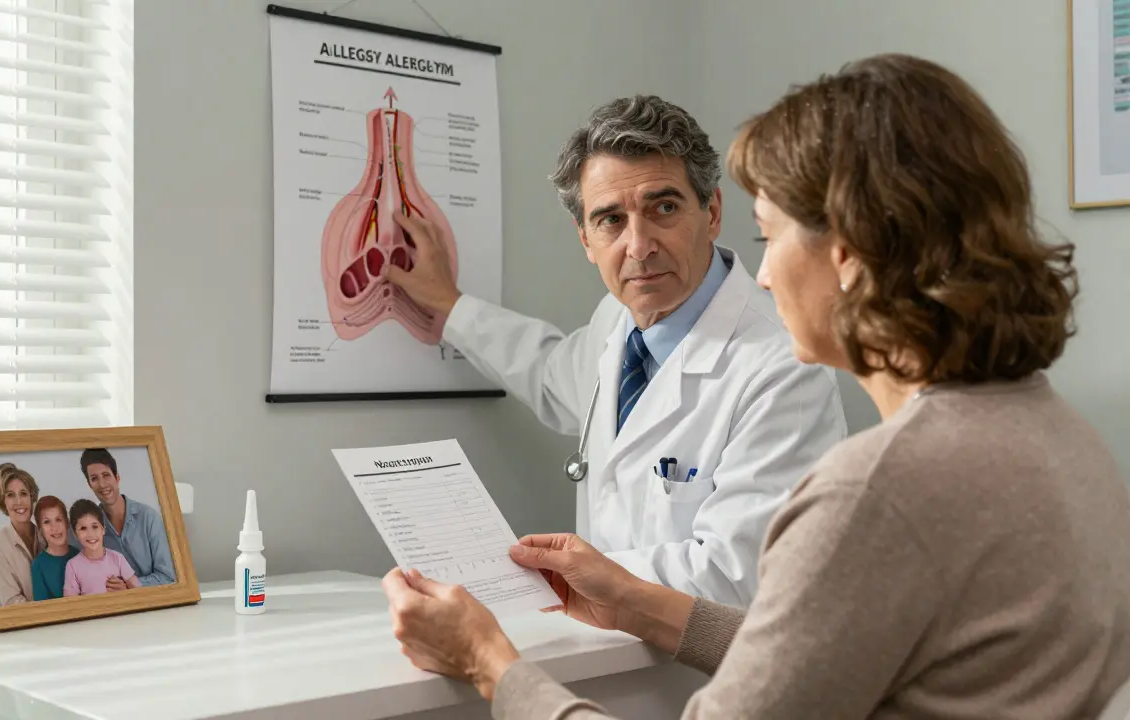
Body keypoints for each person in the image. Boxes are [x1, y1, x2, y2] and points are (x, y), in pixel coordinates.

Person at [380, 53, 1130, 719]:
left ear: (850, 254)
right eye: (610, 221)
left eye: (768, 237)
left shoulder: (875, 491)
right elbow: (832, 645)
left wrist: (490, 664)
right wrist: (633, 598)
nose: (762, 273)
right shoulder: (1061, 436)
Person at [387, 95, 846, 602]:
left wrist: (558, 574)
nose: (638, 246)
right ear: (584, 237)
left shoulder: (783, 365)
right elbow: (547, 371)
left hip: (699, 673)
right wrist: (447, 304)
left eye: (664, 208)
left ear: (711, 211)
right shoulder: (618, 320)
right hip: (602, 658)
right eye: (610, 220)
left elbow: (738, 572)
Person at [78, 447, 176, 587]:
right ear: (89, 485)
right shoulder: (89, 529)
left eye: (106, 475)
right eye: (94, 479)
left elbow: (168, 577)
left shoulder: (149, 518)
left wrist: (129, 585)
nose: (102, 484)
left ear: (117, 478)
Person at [0, 462, 45, 606]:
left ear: (32, 498)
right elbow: (11, 600)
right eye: (10, 495)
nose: (18, 501)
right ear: (3, 501)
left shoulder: (47, 534)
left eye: (23, 493)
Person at [63, 498, 141, 597]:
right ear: (75, 534)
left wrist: (126, 590)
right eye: (83, 528)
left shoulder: (117, 558)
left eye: (95, 526)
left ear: (103, 529)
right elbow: (70, 603)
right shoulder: (72, 566)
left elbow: (138, 592)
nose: (90, 534)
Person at [30, 495, 79, 601]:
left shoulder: (79, 555)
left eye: (58, 519)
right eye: (47, 522)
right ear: (40, 530)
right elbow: (43, 609)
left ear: (67, 523)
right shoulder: (38, 566)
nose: (54, 527)